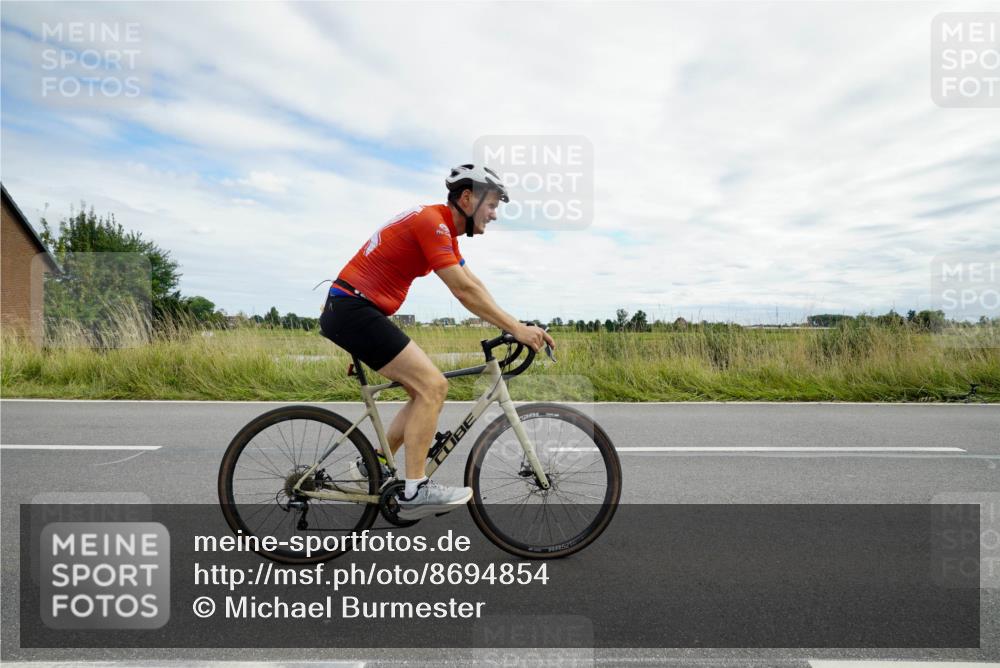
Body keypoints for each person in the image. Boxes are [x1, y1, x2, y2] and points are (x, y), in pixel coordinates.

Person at [319, 164, 556, 520]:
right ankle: (415, 489)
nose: (494, 215)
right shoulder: (434, 223)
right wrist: (517, 330)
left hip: (354, 309)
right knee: (433, 387)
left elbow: (471, 283)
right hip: (353, 308)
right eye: (491, 205)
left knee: (422, 390)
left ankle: (373, 464)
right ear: (467, 198)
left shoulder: (442, 229)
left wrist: (515, 323)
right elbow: (461, 291)